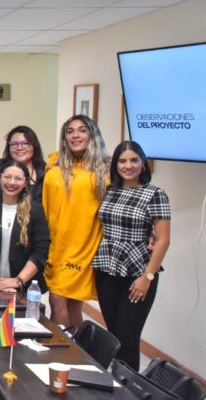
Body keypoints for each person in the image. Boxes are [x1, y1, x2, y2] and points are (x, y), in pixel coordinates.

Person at [93, 141, 170, 370]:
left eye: (134, 160)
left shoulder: (155, 194)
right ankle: (114, 381)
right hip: (106, 268)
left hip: (138, 273)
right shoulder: (110, 191)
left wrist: (147, 277)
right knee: (114, 335)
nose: (128, 166)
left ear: (143, 162)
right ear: (115, 165)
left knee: (128, 338)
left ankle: (128, 386)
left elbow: (163, 240)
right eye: (122, 161)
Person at [43, 115, 110, 328]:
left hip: (84, 246)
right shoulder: (54, 166)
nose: (75, 135)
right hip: (55, 245)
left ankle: (58, 346)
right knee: (71, 305)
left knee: (57, 300)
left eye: (82, 130)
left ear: (92, 135)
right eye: (70, 131)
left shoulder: (104, 171)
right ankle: (78, 348)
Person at [0, 161, 50, 292]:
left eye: (18, 178)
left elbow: (41, 251)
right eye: (7, 177)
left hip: (24, 286)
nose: (12, 182)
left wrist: (18, 280)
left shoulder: (35, 210)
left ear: (26, 182)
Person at [0, 126, 47, 202]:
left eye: (25, 143)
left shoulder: (45, 171)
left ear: (34, 146)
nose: (19, 148)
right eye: (14, 144)